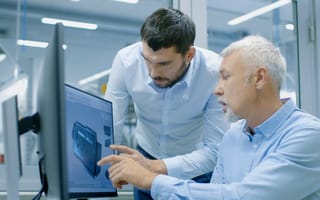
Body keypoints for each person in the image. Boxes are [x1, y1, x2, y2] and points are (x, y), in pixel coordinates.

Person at [99, 35, 320, 199]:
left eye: (225, 77)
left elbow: (242, 197)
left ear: (259, 78)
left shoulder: (308, 135)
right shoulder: (233, 137)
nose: (217, 90)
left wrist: (150, 179)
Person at [104, 7, 229, 199]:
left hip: (195, 168)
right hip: (146, 153)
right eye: (147, 60)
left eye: (164, 64)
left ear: (189, 55)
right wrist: (109, 167)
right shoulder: (126, 61)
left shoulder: (213, 72)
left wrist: (155, 167)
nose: (153, 73)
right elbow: (110, 125)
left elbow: (215, 150)